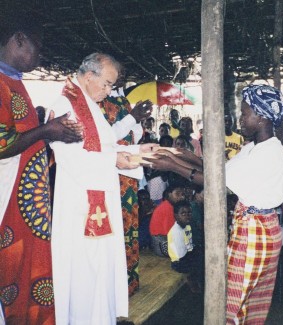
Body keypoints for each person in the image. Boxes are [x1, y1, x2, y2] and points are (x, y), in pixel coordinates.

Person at [48, 52, 157, 324]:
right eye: (107, 84)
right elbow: (68, 156)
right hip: (79, 205)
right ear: (88, 77)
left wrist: (137, 149)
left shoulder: (88, 103)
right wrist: (115, 158)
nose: (109, 92)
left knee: (100, 268)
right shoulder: (66, 104)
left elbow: (106, 142)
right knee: (85, 270)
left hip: (97, 200)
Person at [0, 12, 83, 324]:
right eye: (38, 46)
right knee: (13, 277)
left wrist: (52, 136)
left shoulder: (13, 83)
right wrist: (47, 132)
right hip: (9, 206)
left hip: (27, 208)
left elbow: (21, 143)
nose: (41, 55)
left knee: (28, 278)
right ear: (18, 39)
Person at [226, 84, 283, 324]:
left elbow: (215, 179)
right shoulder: (255, 147)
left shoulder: (266, 152)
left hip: (255, 232)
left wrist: (174, 165)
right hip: (260, 227)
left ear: (260, 117)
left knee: (237, 296)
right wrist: (179, 158)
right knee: (250, 299)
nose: (240, 118)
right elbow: (219, 171)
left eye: (244, 113)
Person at [100, 86, 153, 296]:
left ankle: (129, 282)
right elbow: (105, 138)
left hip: (128, 173)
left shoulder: (123, 102)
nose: (120, 76)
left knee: (129, 226)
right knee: (112, 226)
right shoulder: (98, 102)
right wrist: (131, 117)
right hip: (110, 171)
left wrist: (136, 119)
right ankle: (112, 289)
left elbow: (135, 135)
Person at [167, 200, 203, 293]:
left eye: (189, 212)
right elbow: (181, 254)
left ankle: (197, 280)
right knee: (199, 260)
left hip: (187, 254)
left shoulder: (187, 226)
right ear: (176, 216)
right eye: (183, 213)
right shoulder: (176, 232)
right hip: (179, 262)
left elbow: (189, 245)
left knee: (201, 252)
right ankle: (192, 281)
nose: (187, 215)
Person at [149, 183, 186, 257]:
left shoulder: (168, 205)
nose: (181, 197)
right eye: (177, 194)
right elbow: (169, 232)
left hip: (160, 241)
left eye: (182, 194)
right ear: (169, 194)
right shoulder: (167, 208)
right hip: (161, 242)